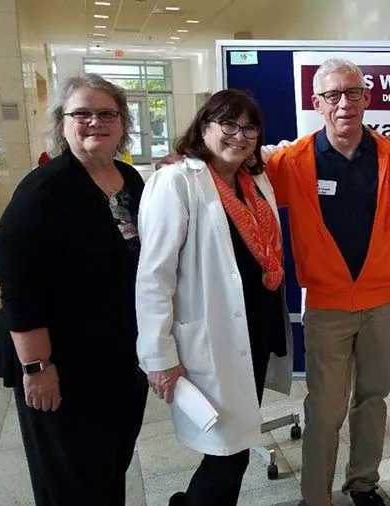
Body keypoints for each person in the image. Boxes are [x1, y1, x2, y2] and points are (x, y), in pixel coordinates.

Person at [265, 58, 390, 506]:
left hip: (386, 302)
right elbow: (238, 179)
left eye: (352, 93)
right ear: (316, 104)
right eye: (333, 95)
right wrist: (189, 159)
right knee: (325, 408)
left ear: (366, 98)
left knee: (372, 398)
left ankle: (363, 482)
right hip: (327, 305)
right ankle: (315, 495)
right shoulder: (292, 162)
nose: (344, 104)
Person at [0, 73, 148, 505]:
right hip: (58, 361)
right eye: (82, 113)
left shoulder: (130, 181)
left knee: (110, 464)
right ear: (62, 123)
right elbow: (18, 285)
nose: (95, 122)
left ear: (122, 124)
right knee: (70, 480)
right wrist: (37, 368)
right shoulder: (44, 190)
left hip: (116, 356)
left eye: (107, 114)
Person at [135, 89, 293, 506]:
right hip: (212, 342)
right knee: (228, 454)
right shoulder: (176, 181)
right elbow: (154, 276)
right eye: (228, 124)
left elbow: (286, 149)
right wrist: (159, 356)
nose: (239, 136)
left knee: (235, 445)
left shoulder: (252, 180)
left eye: (249, 128)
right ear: (203, 126)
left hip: (255, 334)